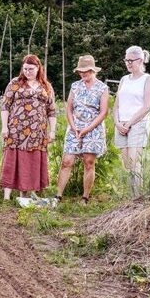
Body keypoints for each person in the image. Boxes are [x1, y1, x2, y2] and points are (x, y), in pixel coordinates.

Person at [0, 54, 57, 201]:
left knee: (29, 162)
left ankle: (24, 195)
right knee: (12, 160)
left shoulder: (46, 86)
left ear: (38, 68)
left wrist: (52, 131)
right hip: (16, 129)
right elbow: (5, 106)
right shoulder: (15, 83)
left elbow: (52, 111)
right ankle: (7, 196)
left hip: (37, 132)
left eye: (31, 69)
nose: (27, 72)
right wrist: (4, 127)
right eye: (25, 69)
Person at [55, 55, 109, 205]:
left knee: (89, 162)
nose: (83, 74)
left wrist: (86, 129)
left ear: (92, 70)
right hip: (75, 126)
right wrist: (73, 127)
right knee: (67, 161)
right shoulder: (75, 86)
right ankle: (58, 195)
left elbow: (104, 112)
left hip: (93, 128)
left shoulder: (102, 88)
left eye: (86, 71)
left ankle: (85, 197)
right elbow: (69, 108)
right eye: (81, 71)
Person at [113, 46, 150, 196]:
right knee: (126, 163)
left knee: (134, 161)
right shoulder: (124, 79)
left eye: (131, 60)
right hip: (121, 124)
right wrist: (117, 122)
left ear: (141, 60)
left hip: (137, 123)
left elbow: (147, 106)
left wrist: (129, 123)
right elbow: (116, 104)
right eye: (126, 60)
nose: (128, 63)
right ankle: (131, 194)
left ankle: (137, 197)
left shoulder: (147, 79)